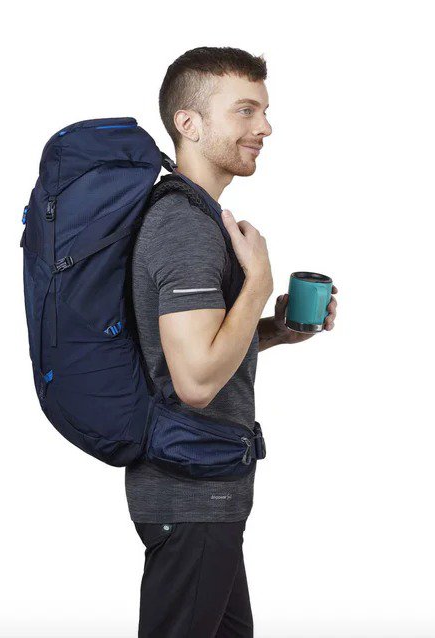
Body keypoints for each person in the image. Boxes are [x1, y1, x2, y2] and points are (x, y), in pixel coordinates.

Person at [125, 46, 338, 638]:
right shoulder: (184, 226)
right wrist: (259, 283)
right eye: (245, 110)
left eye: (264, 111)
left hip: (206, 492)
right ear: (188, 124)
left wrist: (273, 330)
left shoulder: (198, 219)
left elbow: (188, 353)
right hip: (190, 493)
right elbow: (195, 381)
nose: (265, 127)